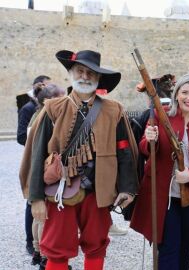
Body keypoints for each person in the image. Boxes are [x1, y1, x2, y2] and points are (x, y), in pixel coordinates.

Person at [19, 49, 138, 270]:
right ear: (71, 73)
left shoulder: (114, 111)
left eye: (91, 73)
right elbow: (37, 155)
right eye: (80, 71)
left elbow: (124, 151)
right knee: (57, 248)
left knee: (96, 245)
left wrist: (127, 188)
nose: (85, 76)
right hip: (60, 193)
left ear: (98, 77)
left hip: (98, 193)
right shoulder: (52, 109)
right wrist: (35, 198)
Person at [130, 73, 189, 270]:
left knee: (186, 248)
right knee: (169, 247)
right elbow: (144, 148)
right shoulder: (161, 116)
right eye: (185, 92)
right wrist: (149, 138)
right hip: (164, 197)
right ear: (177, 94)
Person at [25, 84, 66, 269]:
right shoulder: (45, 117)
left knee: (39, 218)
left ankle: (37, 251)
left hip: (38, 169)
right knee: (43, 217)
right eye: (61, 96)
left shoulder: (38, 114)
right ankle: (43, 256)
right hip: (42, 170)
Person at [17, 75, 51, 256]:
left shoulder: (46, 110)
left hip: (44, 161)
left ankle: (41, 247)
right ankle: (31, 244)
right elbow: (21, 135)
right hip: (33, 159)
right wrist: (36, 145)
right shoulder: (28, 108)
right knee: (32, 202)